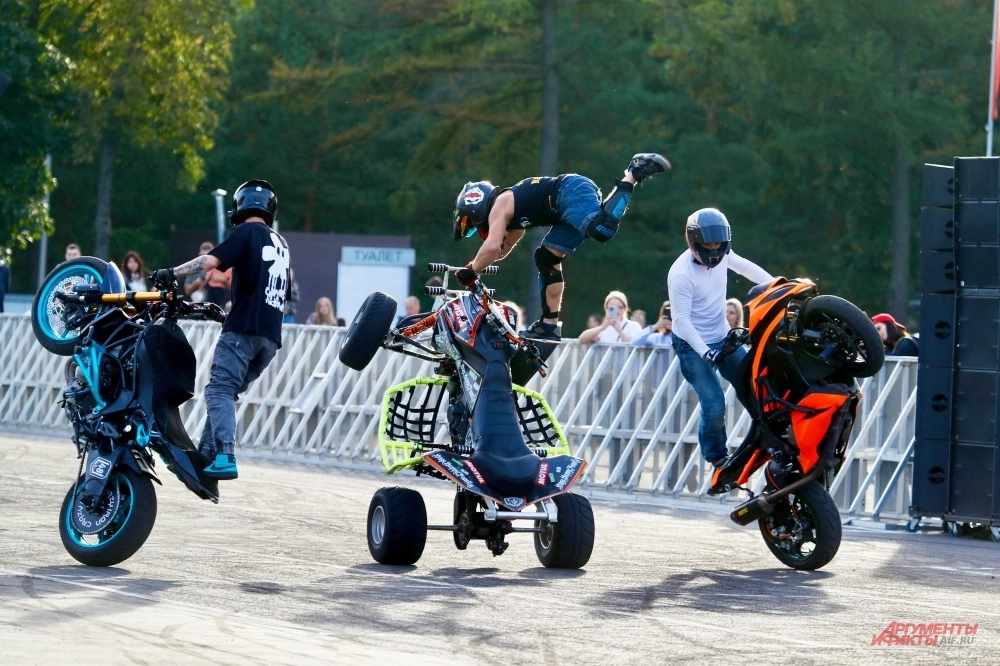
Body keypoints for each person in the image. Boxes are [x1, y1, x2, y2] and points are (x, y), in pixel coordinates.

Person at [451, 153, 672, 341]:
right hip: (565, 205)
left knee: (601, 229)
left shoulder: (499, 205)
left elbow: (491, 249)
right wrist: (474, 268)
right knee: (546, 258)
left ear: (476, 207)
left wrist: (470, 270)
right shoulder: (510, 215)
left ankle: (634, 171)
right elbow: (500, 250)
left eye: (471, 225)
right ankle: (549, 325)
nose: (476, 230)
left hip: (568, 191)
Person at [151, 180, 289, 481]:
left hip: (243, 331)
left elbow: (210, 262)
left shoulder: (245, 232)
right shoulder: (281, 244)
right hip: (269, 338)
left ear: (239, 207)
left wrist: (171, 273)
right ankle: (207, 455)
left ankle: (225, 454)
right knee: (227, 394)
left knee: (218, 390)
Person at [668, 208, 773, 468]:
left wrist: (778, 286)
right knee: (715, 403)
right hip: (692, 345)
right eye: (708, 244)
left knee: (755, 385)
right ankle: (716, 456)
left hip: (722, 334)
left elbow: (748, 269)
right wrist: (706, 351)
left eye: (719, 243)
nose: (714, 249)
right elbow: (681, 320)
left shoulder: (724, 255)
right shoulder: (681, 274)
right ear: (693, 240)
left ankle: (768, 436)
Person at [578, 290, 643, 344]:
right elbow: (582, 340)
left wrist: (619, 331)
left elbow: (634, 348)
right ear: (606, 309)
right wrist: (602, 327)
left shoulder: (633, 326)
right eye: (612, 308)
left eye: (619, 307)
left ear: (625, 309)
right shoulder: (604, 327)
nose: (616, 311)